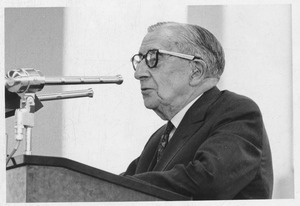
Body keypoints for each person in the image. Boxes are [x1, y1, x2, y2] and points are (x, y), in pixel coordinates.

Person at [123, 22, 273, 200]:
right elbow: (115, 185)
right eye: (140, 60)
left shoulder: (237, 112)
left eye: (152, 58)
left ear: (196, 71)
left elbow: (209, 181)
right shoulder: (159, 138)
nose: (139, 73)